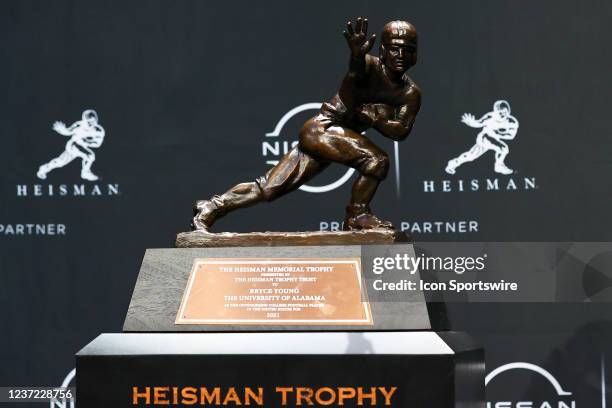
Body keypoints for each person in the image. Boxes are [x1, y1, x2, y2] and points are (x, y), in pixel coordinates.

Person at [192, 18, 421, 231]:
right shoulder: (367, 67)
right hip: (321, 130)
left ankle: (211, 207)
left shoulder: (410, 94)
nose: (400, 55)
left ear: (415, 56)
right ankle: (356, 216)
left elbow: (401, 131)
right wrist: (357, 56)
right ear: (382, 50)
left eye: (407, 50)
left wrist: (377, 120)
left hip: (335, 139)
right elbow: (356, 71)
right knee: (377, 160)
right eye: (394, 48)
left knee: (268, 188)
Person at [445, 100, 519, 175]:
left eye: (505, 112)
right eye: (500, 112)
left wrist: (498, 133)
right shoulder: (490, 117)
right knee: (503, 148)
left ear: (508, 111)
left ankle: (453, 163)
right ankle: (498, 166)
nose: (503, 115)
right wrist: (471, 122)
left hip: (495, 139)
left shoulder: (512, 122)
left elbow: (511, 136)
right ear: (495, 111)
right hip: (484, 137)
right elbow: (478, 123)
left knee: (471, 156)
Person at [37, 109, 105, 181]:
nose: (91, 124)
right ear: (84, 120)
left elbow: (97, 144)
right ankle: (85, 173)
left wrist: (86, 141)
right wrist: (62, 130)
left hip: (82, 146)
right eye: (88, 121)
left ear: (96, 120)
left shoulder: (99, 131)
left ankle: (44, 168)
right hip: (73, 145)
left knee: (61, 162)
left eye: (93, 121)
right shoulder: (79, 125)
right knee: (89, 156)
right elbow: (68, 132)